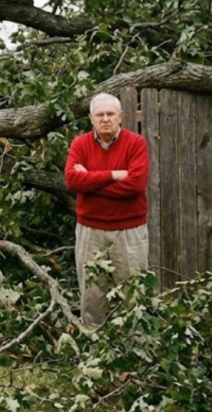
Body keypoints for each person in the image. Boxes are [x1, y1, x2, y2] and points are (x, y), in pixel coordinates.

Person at [64, 93, 149, 328]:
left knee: (133, 294)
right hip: (90, 231)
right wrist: (113, 175)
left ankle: (135, 344)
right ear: (91, 118)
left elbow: (135, 185)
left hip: (129, 231)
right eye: (99, 115)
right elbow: (72, 181)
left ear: (121, 116)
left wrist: (90, 183)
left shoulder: (136, 143)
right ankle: (94, 343)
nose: (105, 119)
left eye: (110, 114)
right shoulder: (80, 144)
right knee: (92, 295)